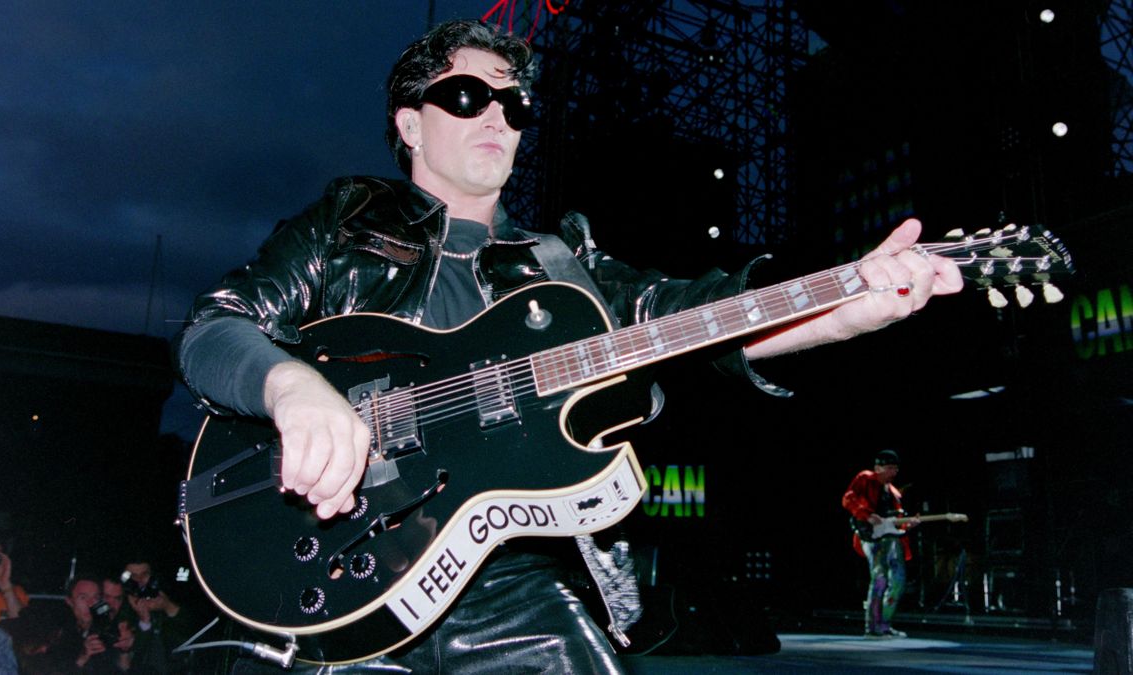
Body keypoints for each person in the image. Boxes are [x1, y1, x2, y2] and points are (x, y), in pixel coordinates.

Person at [173, 19, 963, 672]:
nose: (496, 116)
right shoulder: (344, 227)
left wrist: (851, 303)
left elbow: (697, 315)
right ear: (410, 124)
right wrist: (292, 388)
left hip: (510, 590)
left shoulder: (561, 267)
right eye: (466, 95)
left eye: (513, 105)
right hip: (336, 571)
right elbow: (216, 327)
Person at [841, 449, 919, 638]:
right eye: (889, 468)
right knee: (880, 578)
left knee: (898, 582)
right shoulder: (866, 478)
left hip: (892, 539)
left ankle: (883, 623)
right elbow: (848, 498)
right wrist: (866, 514)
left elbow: (895, 522)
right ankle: (872, 627)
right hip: (872, 537)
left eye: (895, 469)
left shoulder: (894, 493)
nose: (893, 472)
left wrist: (910, 523)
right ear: (878, 467)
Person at [48, 575, 135, 673]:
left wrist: (125, 650)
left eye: (96, 597)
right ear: (70, 602)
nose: (90, 604)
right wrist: (83, 658)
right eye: (83, 598)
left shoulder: (110, 631)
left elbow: (123, 669)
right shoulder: (56, 633)